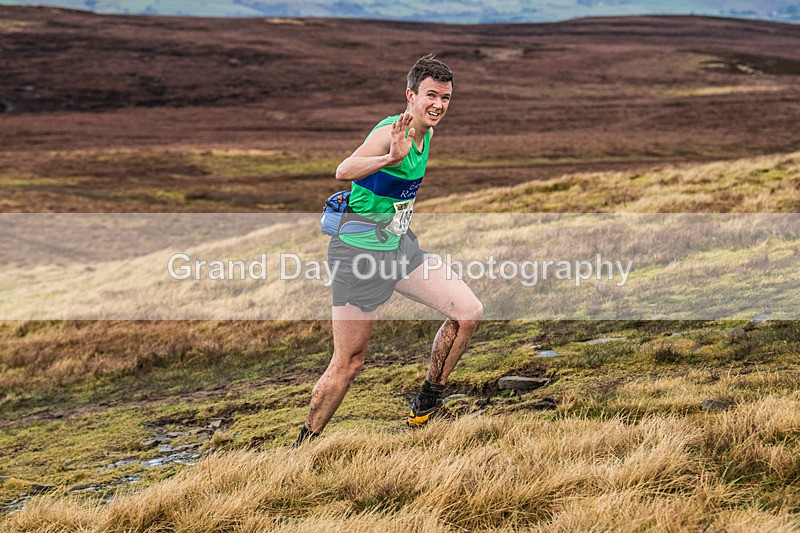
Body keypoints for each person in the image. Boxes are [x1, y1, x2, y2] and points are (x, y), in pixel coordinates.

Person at [295, 54, 483, 446]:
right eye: (431, 96)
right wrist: (390, 158)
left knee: (467, 313)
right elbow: (343, 171)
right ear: (410, 96)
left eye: (446, 98)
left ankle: (426, 407)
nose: (439, 105)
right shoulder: (389, 131)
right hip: (358, 256)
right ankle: (304, 445)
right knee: (349, 363)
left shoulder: (426, 130)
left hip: (399, 246)